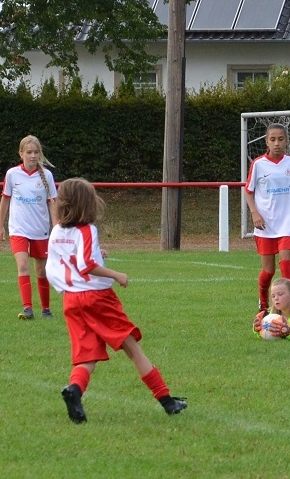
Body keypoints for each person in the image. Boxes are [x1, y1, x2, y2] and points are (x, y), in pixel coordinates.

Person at [49, 177, 187, 423]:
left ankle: (74, 390)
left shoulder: (57, 231)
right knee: (132, 347)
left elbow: (66, 261)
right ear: (86, 204)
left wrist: (97, 255)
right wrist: (115, 274)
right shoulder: (87, 229)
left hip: (71, 299)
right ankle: (167, 401)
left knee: (87, 356)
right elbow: (86, 265)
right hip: (97, 298)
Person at [244, 123, 290, 312]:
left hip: (285, 224)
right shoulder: (258, 164)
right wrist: (254, 213)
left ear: (286, 141)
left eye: (281, 139)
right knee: (268, 271)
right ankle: (263, 302)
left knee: (285, 263)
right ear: (267, 142)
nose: (277, 143)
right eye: (273, 139)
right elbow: (248, 191)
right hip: (265, 226)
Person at [0, 135, 58, 320]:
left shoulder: (47, 175)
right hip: (18, 229)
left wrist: (56, 227)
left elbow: (52, 202)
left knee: (42, 271)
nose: (33, 156)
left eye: (36, 152)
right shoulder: (12, 174)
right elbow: (5, 199)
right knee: (23, 265)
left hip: (40, 230)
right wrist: (0, 225)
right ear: (21, 153)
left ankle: (46, 309)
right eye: (29, 152)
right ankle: (28, 308)